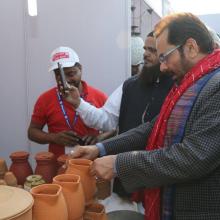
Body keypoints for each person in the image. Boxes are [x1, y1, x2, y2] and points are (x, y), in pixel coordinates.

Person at [71, 13, 220, 220]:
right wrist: (100, 148)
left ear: (191, 48)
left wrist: (118, 164)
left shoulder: (216, 86)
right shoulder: (191, 85)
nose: (163, 67)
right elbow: (152, 127)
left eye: (165, 56)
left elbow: (194, 157)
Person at [68, 32, 173, 134]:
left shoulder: (176, 88)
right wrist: (78, 103)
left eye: (152, 50)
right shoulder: (130, 85)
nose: (145, 54)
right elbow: (107, 120)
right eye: (145, 49)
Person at [28, 46, 108, 158]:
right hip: (58, 166)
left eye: (71, 74)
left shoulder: (99, 96)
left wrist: (99, 138)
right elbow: (32, 132)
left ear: (80, 68)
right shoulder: (44, 99)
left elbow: (115, 129)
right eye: (59, 76)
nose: (66, 82)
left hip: (93, 164)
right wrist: (54, 138)